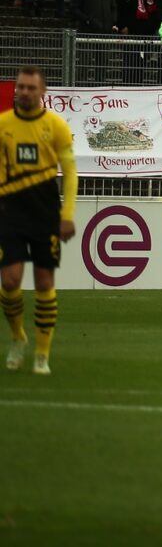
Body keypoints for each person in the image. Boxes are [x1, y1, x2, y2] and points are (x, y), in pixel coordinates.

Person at [0, 67, 77, 376]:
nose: (25, 92)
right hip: (9, 211)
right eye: (21, 87)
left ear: (43, 92)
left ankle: (42, 353)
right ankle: (18, 337)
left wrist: (67, 215)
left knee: (44, 281)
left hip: (45, 213)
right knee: (9, 281)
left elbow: (70, 172)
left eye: (32, 88)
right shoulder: (3, 124)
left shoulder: (55, 126)